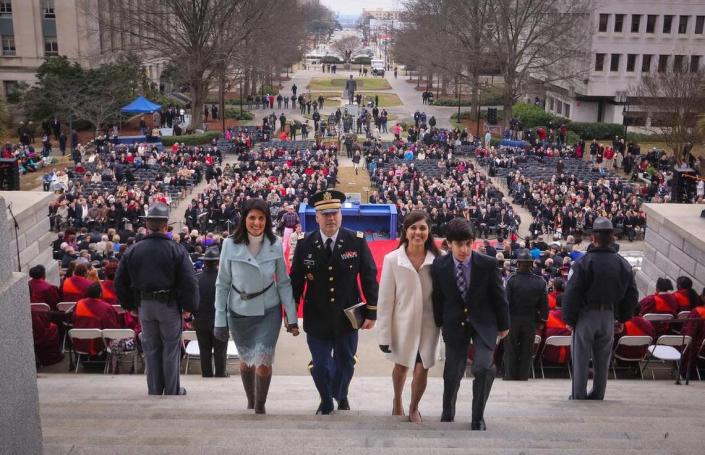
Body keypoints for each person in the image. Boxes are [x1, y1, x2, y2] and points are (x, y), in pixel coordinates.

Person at [290, 190, 379, 415]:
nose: (331, 218)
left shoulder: (356, 241)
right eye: (325, 213)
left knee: (345, 363)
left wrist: (372, 312)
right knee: (320, 364)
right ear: (316, 217)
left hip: (347, 316)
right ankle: (326, 399)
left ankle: (341, 394)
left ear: (341, 215)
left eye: (335, 213)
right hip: (317, 315)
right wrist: (291, 317)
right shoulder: (304, 244)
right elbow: (296, 283)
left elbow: (369, 276)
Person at [213, 198, 299, 414]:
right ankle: (251, 400)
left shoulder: (276, 243)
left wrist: (292, 316)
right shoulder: (229, 244)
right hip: (239, 312)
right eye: (252, 217)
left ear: (267, 220)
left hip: (268, 311)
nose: (257, 223)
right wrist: (219, 320)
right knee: (246, 361)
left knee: (263, 360)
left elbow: (284, 282)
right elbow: (222, 284)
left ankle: (260, 406)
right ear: (244, 219)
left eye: (261, 218)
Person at [431, 217, 509, 430]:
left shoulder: (488, 264)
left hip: (485, 323)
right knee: (452, 372)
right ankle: (448, 412)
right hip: (454, 323)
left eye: (468, 243)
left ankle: (477, 416)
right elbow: (438, 297)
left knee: (483, 368)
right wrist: (439, 322)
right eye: (459, 244)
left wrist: (504, 325)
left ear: (473, 242)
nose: (464, 249)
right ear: (449, 243)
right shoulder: (440, 265)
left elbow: (499, 295)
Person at [115, 202, 198, 396]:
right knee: (171, 348)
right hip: (168, 305)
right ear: (165, 225)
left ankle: (154, 389)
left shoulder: (133, 250)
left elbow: (119, 282)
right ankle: (172, 390)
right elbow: (189, 281)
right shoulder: (176, 250)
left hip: (145, 306)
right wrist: (189, 307)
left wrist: (130, 305)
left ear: (147, 225)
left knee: (151, 348)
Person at [563, 217, 638, 400]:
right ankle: (598, 394)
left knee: (580, 358)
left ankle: (578, 394)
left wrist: (570, 320)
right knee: (603, 360)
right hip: (609, 317)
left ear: (593, 238)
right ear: (612, 238)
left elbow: (572, 293)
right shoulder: (623, 264)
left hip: (586, 316)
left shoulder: (583, 263)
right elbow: (631, 294)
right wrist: (622, 318)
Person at [377, 211, 441, 423]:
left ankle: (414, 407)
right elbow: (385, 301)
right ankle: (397, 401)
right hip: (402, 325)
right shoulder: (392, 259)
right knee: (402, 366)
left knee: (422, 369)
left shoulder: (438, 260)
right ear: (405, 231)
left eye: (422, 228)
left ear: (428, 231)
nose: (418, 232)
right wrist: (383, 336)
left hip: (429, 326)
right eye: (413, 228)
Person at [503, 249, 548, 381]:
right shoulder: (540, 282)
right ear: (531, 264)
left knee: (511, 349)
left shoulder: (512, 281)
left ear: (518, 263)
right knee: (527, 349)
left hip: (513, 319)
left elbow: (506, 302)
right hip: (530, 320)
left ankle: (511, 375)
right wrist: (542, 320)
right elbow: (544, 305)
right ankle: (523, 376)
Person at [194, 248, 228, 378]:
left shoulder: (197, 279)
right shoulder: (224, 279)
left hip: (200, 319)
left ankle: (206, 374)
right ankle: (220, 374)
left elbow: (193, 300)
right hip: (220, 319)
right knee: (220, 350)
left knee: (204, 349)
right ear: (217, 262)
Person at [72, 282, 121, 356]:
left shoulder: (79, 304)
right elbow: (112, 328)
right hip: (98, 345)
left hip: (79, 343)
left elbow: (73, 321)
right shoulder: (106, 307)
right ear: (100, 294)